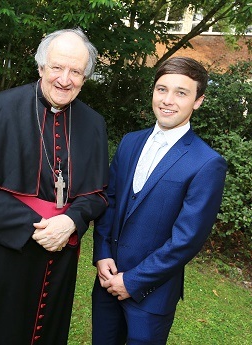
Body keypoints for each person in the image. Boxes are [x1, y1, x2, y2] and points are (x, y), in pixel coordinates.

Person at [0, 28, 109, 345]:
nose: (65, 79)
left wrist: (70, 221)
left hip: (59, 259)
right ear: (41, 67)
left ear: (85, 76)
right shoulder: (3, 107)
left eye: (76, 71)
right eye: (57, 67)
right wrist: (39, 227)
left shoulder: (93, 123)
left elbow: (96, 194)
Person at [92, 56, 227, 345]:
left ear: (198, 101)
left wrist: (132, 281)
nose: (168, 100)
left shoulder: (206, 163)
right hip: (107, 281)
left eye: (181, 92)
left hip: (152, 297)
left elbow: (186, 240)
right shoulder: (130, 141)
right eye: (162, 89)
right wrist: (102, 253)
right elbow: (110, 201)